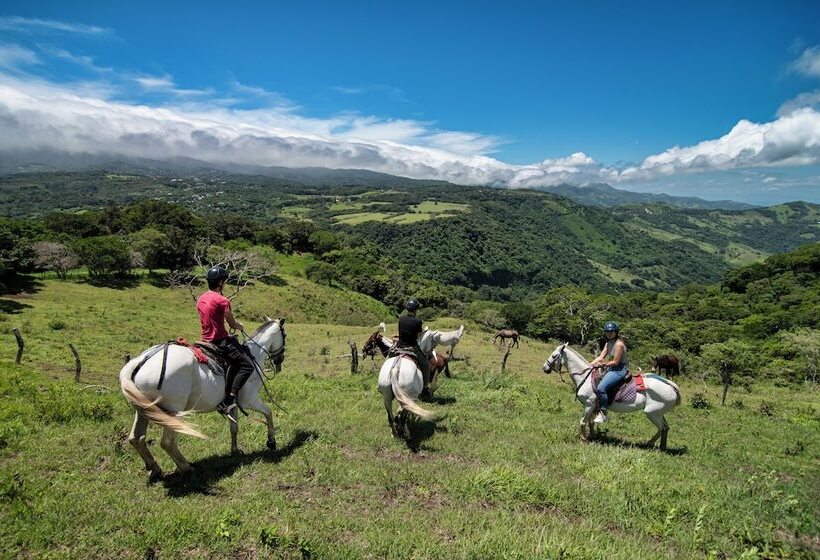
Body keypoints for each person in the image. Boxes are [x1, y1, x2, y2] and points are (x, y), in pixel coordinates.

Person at [196, 266, 254, 420]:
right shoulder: (223, 300)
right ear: (221, 282)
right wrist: (238, 326)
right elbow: (232, 323)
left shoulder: (201, 298)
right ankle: (231, 398)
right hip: (219, 341)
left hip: (204, 340)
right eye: (225, 281)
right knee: (247, 365)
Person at [391, 299, 432, 399]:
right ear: (416, 310)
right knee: (426, 365)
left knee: (389, 357)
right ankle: (425, 388)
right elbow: (417, 337)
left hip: (400, 346)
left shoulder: (401, 319)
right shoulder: (418, 321)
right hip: (412, 348)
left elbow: (402, 333)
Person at [589, 321, 628, 424]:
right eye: (607, 331)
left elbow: (615, 362)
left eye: (611, 331)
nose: (609, 333)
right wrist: (590, 365)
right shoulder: (608, 343)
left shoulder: (619, 344)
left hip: (619, 369)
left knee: (601, 388)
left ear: (616, 332)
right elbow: (601, 357)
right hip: (611, 368)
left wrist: (601, 365)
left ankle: (603, 413)